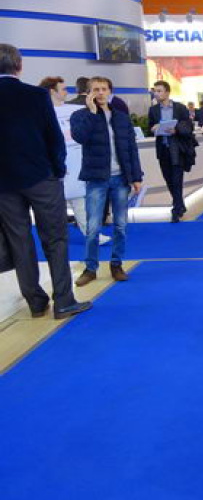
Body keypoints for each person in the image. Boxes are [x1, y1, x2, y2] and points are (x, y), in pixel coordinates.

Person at [0, 45, 92, 320]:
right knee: (55, 239)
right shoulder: (37, 95)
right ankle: (63, 301)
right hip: (42, 177)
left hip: (3, 184)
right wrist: (58, 170)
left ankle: (36, 303)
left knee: (19, 241)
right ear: (19, 66)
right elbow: (54, 137)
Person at [70, 76, 143, 286]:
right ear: (88, 93)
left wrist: (136, 177)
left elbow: (131, 149)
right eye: (96, 89)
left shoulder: (121, 117)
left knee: (121, 225)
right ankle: (90, 268)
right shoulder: (80, 116)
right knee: (93, 227)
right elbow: (80, 137)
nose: (100, 93)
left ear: (110, 91)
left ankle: (116, 264)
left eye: (104, 89)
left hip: (121, 178)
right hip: (96, 179)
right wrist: (92, 113)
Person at [39, 76, 111, 245]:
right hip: (53, 165)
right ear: (52, 91)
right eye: (63, 89)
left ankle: (92, 235)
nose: (67, 92)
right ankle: (54, 239)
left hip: (77, 161)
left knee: (79, 201)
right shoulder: (41, 113)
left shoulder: (74, 110)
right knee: (53, 206)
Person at [148, 80, 194, 222]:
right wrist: (153, 128)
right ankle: (180, 205)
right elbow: (150, 128)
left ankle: (176, 209)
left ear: (167, 92)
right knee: (168, 179)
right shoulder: (153, 110)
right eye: (155, 91)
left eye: (159, 91)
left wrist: (176, 130)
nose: (156, 94)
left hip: (177, 148)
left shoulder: (180, 108)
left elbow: (189, 126)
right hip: (163, 148)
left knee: (177, 179)